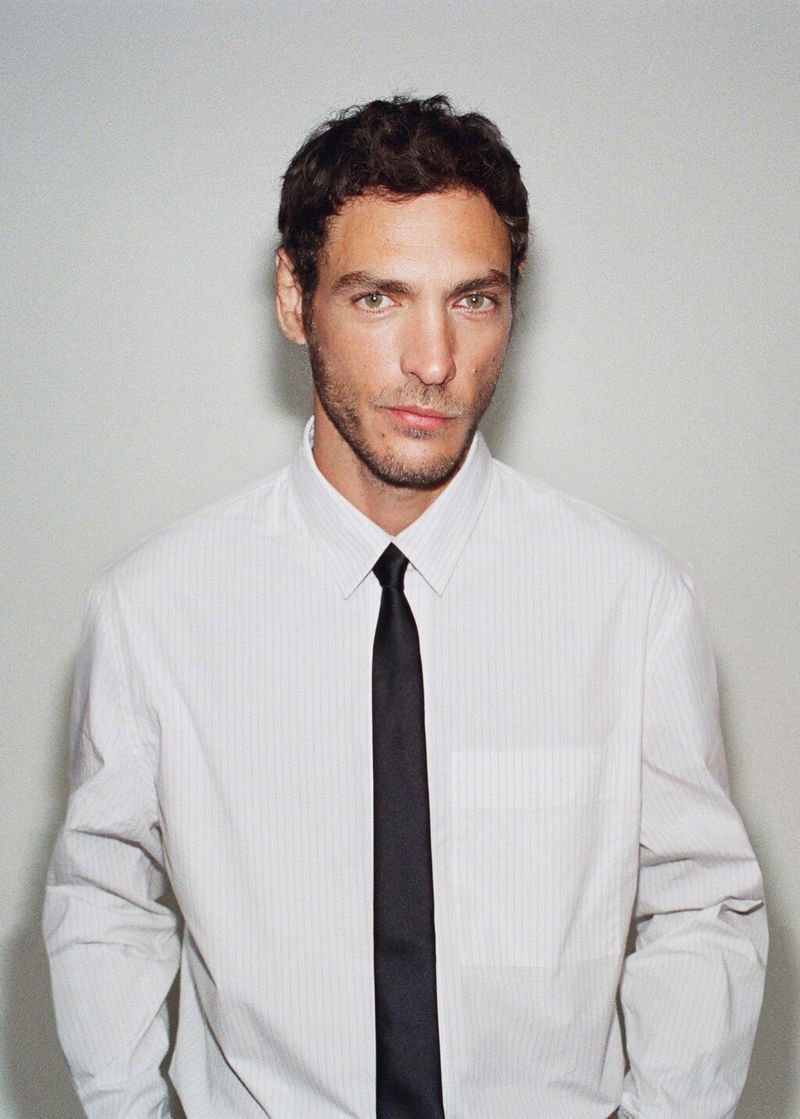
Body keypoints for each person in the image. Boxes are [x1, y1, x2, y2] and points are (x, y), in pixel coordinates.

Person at [44, 95, 766, 1119]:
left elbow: (701, 908)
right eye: (378, 298)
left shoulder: (631, 602)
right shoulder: (154, 613)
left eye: (473, 300)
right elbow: (104, 901)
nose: (433, 360)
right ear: (293, 298)